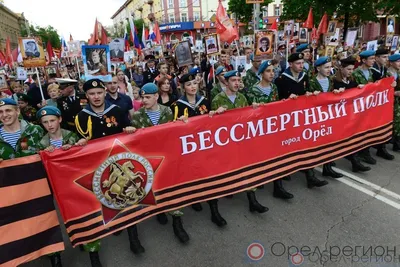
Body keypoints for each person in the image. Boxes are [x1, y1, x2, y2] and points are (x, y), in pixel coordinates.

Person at [75, 79, 136, 266]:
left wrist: (130, 129)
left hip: (119, 163)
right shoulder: (81, 117)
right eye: (92, 94)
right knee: (104, 197)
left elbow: (127, 129)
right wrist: (79, 143)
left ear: (104, 93)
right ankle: (107, 232)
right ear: (87, 96)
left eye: (99, 93)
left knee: (127, 196)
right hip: (97, 167)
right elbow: (78, 143)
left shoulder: (116, 111)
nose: (96, 97)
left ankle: (133, 236)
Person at [131, 82, 190, 243]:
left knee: (172, 187)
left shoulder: (167, 111)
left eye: (148, 97)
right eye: (142, 97)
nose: (144, 100)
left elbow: (174, 131)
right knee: (155, 187)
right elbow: (135, 141)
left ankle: (177, 223)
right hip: (149, 159)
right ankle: (160, 211)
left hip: (168, 157)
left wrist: (182, 122)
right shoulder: (137, 116)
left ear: (156, 96)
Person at [170, 74, 227, 226]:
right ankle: (194, 199)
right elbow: (172, 129)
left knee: (209, 176)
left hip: (204, 147)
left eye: (194, 83)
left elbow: (211, 123)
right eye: (188, 84)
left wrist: (214, 114)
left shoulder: (205, 102)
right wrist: (178, 122)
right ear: (182, 87)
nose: (193, 87)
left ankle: (214, 211)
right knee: (192, 176)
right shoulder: (177, 105)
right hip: (188, 149)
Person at [211, 70, 268, 213]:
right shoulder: (217, 99)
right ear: (226, 82)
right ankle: (228, 188)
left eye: (238, 80)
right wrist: (215, 114)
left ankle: (252, 200)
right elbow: (210, 124)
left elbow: (247, 118)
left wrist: (254, 110)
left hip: (241, 140)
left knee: (247, 167)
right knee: (228, 167)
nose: (237, 83)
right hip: (225, 142)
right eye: (233, 80)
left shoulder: (242, 98)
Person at [275, 52, 329, 188]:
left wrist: (310, 94)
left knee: (304, 144)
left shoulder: (304, 76)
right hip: (287, 119)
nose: (301, 66)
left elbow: (307, 91)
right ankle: (284, 172)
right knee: (286, 146)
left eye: (302, 63)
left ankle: (310, 176)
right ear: (290, 64)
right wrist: (286, 99)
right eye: (298, 63)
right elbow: (276, 101)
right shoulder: (281, 79)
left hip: (302, 118)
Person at [245, 60, 294, 199]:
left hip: (272, 128)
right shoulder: (253, 90)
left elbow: (276, 106)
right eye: (268, 71)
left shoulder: (274, 88)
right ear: (261, 73)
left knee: (275, 155)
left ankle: (277, 187)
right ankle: (259, 178)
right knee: (259, 156)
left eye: (273, 71)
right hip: (258, 130)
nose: (272, 74)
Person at [332, 57, 372, 172]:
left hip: (350, 114)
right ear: (341, 68)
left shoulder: (352, 80)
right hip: (338, 115)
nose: (351, 71)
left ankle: (355, 161)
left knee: (351, 137)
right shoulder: (335, 81)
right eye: (348, 69)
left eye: (352, 69)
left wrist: (359, 88)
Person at [307, 56, 344, 178]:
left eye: (330, 67)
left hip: (328, 116)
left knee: (328, 141)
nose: (329, 69)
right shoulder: (311, 82)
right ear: (318, 68)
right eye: (326, 67)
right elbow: (305, 99)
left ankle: (327, 167)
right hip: (315, 118)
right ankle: (310, 174)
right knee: (312, 145)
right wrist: (311, 95)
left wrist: (338, 93)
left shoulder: (331, 80)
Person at [369, 48, 395, 160]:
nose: (386, 59)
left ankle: (381, 148)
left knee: (382, 124)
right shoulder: (372, 70)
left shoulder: (384, 69)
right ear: (377, 58)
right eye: (384, 57)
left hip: (381, 102)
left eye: (387, 57)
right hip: (372, 103)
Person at [388, 54, 400, 151]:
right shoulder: (388, 73)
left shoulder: (397, 72)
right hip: (390, 101)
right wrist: (395, 93)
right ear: (391, 63)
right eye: (397, 61)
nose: (399, 63)